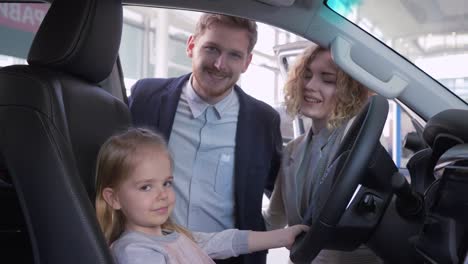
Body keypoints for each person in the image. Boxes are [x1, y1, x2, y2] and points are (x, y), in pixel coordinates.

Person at [128, 13, 282, 264]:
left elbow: (280, 189)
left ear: (247, 62)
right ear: (191, 46)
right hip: (150, 253)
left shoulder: (263, 120)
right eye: (212, 49)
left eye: (234, 55)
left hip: (229, 257)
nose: (220, 64)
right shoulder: (146, 97)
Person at [95, 128, 307, 264]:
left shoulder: (172, 235)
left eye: (167, 183)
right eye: (146, 187)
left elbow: (224, 241)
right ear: (113, 199)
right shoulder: (135, 251)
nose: (162, 195)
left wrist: (282, 236)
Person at [263, 45, 382, 263]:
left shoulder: (360, 148)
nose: (309, 85)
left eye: (327, 79)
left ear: (350, 91)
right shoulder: (292, 150)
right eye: (306, 76)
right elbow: (273, 219)